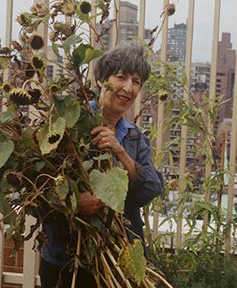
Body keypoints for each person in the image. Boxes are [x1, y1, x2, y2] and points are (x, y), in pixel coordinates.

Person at [38, 43, 164, 287]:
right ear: (100, 80)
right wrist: (73, 201)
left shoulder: (135, 138)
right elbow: (35, 189)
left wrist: (121, 153)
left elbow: (152, 188)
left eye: (136, 81)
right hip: (66, 258)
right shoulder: (67, 125)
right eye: (121, 77)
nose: (128, 88)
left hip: (118, 260)